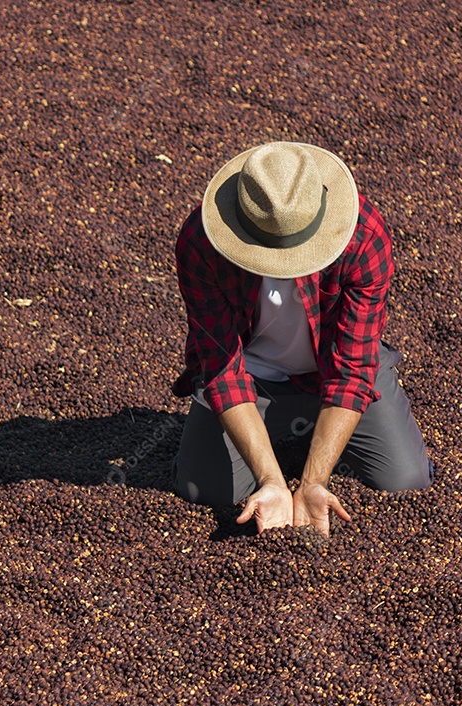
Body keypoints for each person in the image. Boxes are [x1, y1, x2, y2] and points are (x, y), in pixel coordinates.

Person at [171, 141, 432, 536]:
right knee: (201, 489)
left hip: (331, 371)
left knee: (405, 480)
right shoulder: (201, 241)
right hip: (250, 379)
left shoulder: (364, 236)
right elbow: (222, 368)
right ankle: (280, 447)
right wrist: (272, 482)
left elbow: (353, 369)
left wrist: (314, 482)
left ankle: (310, 437)